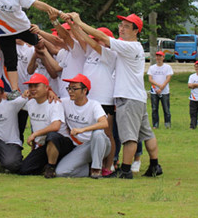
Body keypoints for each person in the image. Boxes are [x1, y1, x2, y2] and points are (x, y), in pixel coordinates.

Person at [69, 12, 162, 179]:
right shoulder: (126, 48)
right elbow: (95, 44)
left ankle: (126, 170)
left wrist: (79, 22)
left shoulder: (130, 46)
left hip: (128, 97)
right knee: (147, 133)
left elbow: (102, 38)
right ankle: (155, 165)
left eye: (127, 26)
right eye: (121, 25)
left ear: (136, 31)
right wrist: (76, 27)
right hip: (137, 97)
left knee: (129, 137)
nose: (122, 29)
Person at [68, 23, 117, 175]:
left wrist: (79, 25)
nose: (94, 41)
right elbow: (81, 39)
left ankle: (109, 164)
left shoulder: (110, 54)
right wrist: (72, 24)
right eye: (93, 38)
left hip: (104, 99)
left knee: (107, 133)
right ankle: (95, 163)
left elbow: (92, 44)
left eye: (98, 39)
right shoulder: (90, 52)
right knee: (93, 133)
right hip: (89, 99)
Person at [55, 74, 110, 179]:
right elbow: (53, 100)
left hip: (98, 144)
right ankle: (88, 169)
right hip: (80, 147)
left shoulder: (94, 105)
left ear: (85, 91)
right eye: (69, 88)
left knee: (98, 133)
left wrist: (82, 129)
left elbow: (104, 123)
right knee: (60, 172)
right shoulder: (65, 102)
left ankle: (96, 169)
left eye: (74, 89)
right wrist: (49, 92)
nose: (70, 91)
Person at [19, 73, 71, 176]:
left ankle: (51, 167)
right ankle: (48, 165)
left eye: (36, 86)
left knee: (52, 136)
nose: (32, 89)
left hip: (61, 143)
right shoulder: (30, 103)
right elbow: (12, 103)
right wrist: (22, 96)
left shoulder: (54, 103)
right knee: (24, 169)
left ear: (46, 87)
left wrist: (35, 134)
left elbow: (56, 126)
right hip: (43, 145)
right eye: (30, 86)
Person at [147, 51, 173, 129]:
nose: (158, 58)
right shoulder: (152, 68)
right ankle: (155, 124)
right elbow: (150, 79)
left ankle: (167, 124)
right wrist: (158, 86)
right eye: (157, 56)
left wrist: (162, 87)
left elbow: (168, 78)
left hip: (164, 91)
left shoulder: (167, 67)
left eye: (160, 56)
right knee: (154, 108)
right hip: (154, 91)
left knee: (166, 109)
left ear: (163, 57)